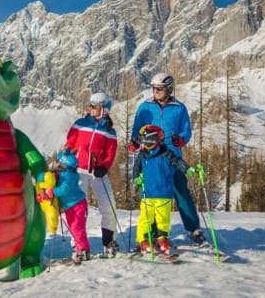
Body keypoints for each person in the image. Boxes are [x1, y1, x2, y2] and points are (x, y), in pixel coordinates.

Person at [130, 73, 206, 245]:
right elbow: (136, 130)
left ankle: (194, 228)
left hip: (171, 157)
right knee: (153, 196)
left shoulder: (179, 108)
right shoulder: (145, 107)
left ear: (169, 89)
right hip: (151, 157)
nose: (155, 91)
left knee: (181, 192)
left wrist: (181, 139)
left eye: (159, 89)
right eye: (153, 88)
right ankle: (154, 233)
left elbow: (186, 131)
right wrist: (134, 141)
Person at [64, 92, 120, 256]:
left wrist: (104, 166)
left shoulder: (109, 131)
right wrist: (67, 163)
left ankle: (109, 241)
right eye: (90, 105)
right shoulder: (80, 124)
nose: (90, 109)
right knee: (78, 209)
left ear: (103, 109)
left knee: (108, 205)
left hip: (97, 173)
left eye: (94, 106)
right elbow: (69, 145)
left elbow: (110, 153)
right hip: (78, 171)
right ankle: (78, 245)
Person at [132, 124, 196, 255]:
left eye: (145, 140)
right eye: (142, 140)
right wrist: (136, 178)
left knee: (163, 219)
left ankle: (162, 239)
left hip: (164, 193)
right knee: (145, 218)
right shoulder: (143, 155)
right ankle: (143, 240)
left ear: (154, 140)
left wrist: (188, 169)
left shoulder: (166, 154)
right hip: (148, 193)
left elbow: (178, 162)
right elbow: (136, 169)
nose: (143, 143)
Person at [47, 149, 91, 264]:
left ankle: (82, 250)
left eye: (60, 164)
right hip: (70, 207)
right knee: (74, 228)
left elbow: (63, 190)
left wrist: (52, 192)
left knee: (77, 228)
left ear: (65, 166)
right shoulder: (63, 173)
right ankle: (80, 249)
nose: (58, 165)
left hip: (77, 205)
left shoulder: (69, 176)